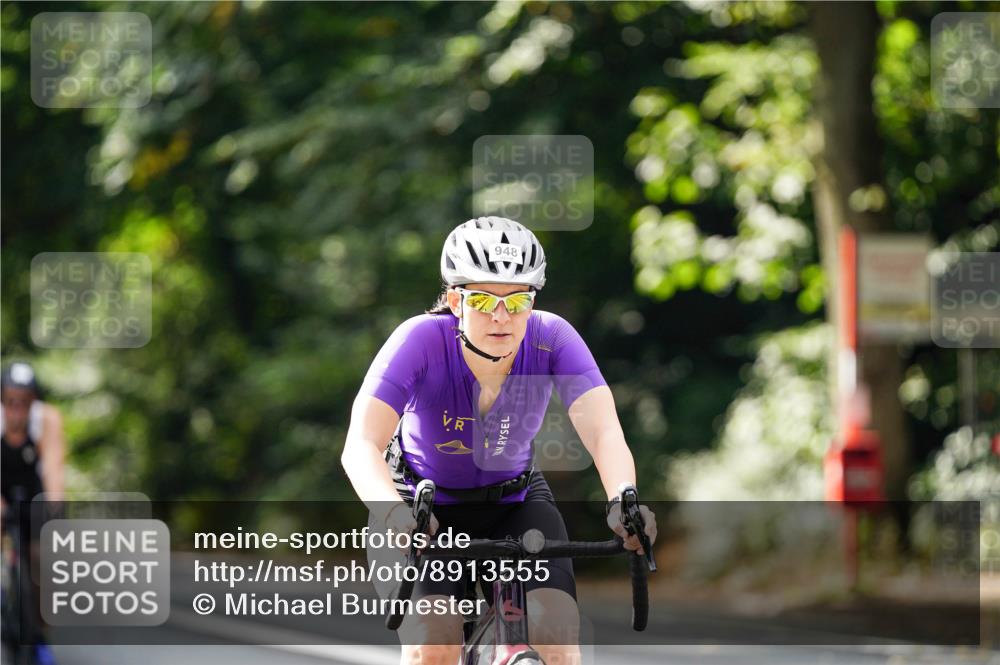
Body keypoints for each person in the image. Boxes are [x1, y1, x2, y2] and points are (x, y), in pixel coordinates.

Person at [341, 217, 657, 665]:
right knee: (432, 646)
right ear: (455, 300)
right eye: (484, 299)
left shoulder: (552, 337)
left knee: (558, 640)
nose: (502, 316)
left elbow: (603, 431)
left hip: (516, 501)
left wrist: (623, 502)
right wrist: (395, 514)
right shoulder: (418, 341)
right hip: (421, 508)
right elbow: (360, 444)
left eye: (518, 300)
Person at [1, 361, 64, 665]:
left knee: (42, 558)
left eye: (24, 401)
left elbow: (53, 468)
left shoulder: (46, 420)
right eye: (10, 400)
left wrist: (54, 509)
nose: (17, 408)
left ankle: (38, 630)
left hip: (32, 492)